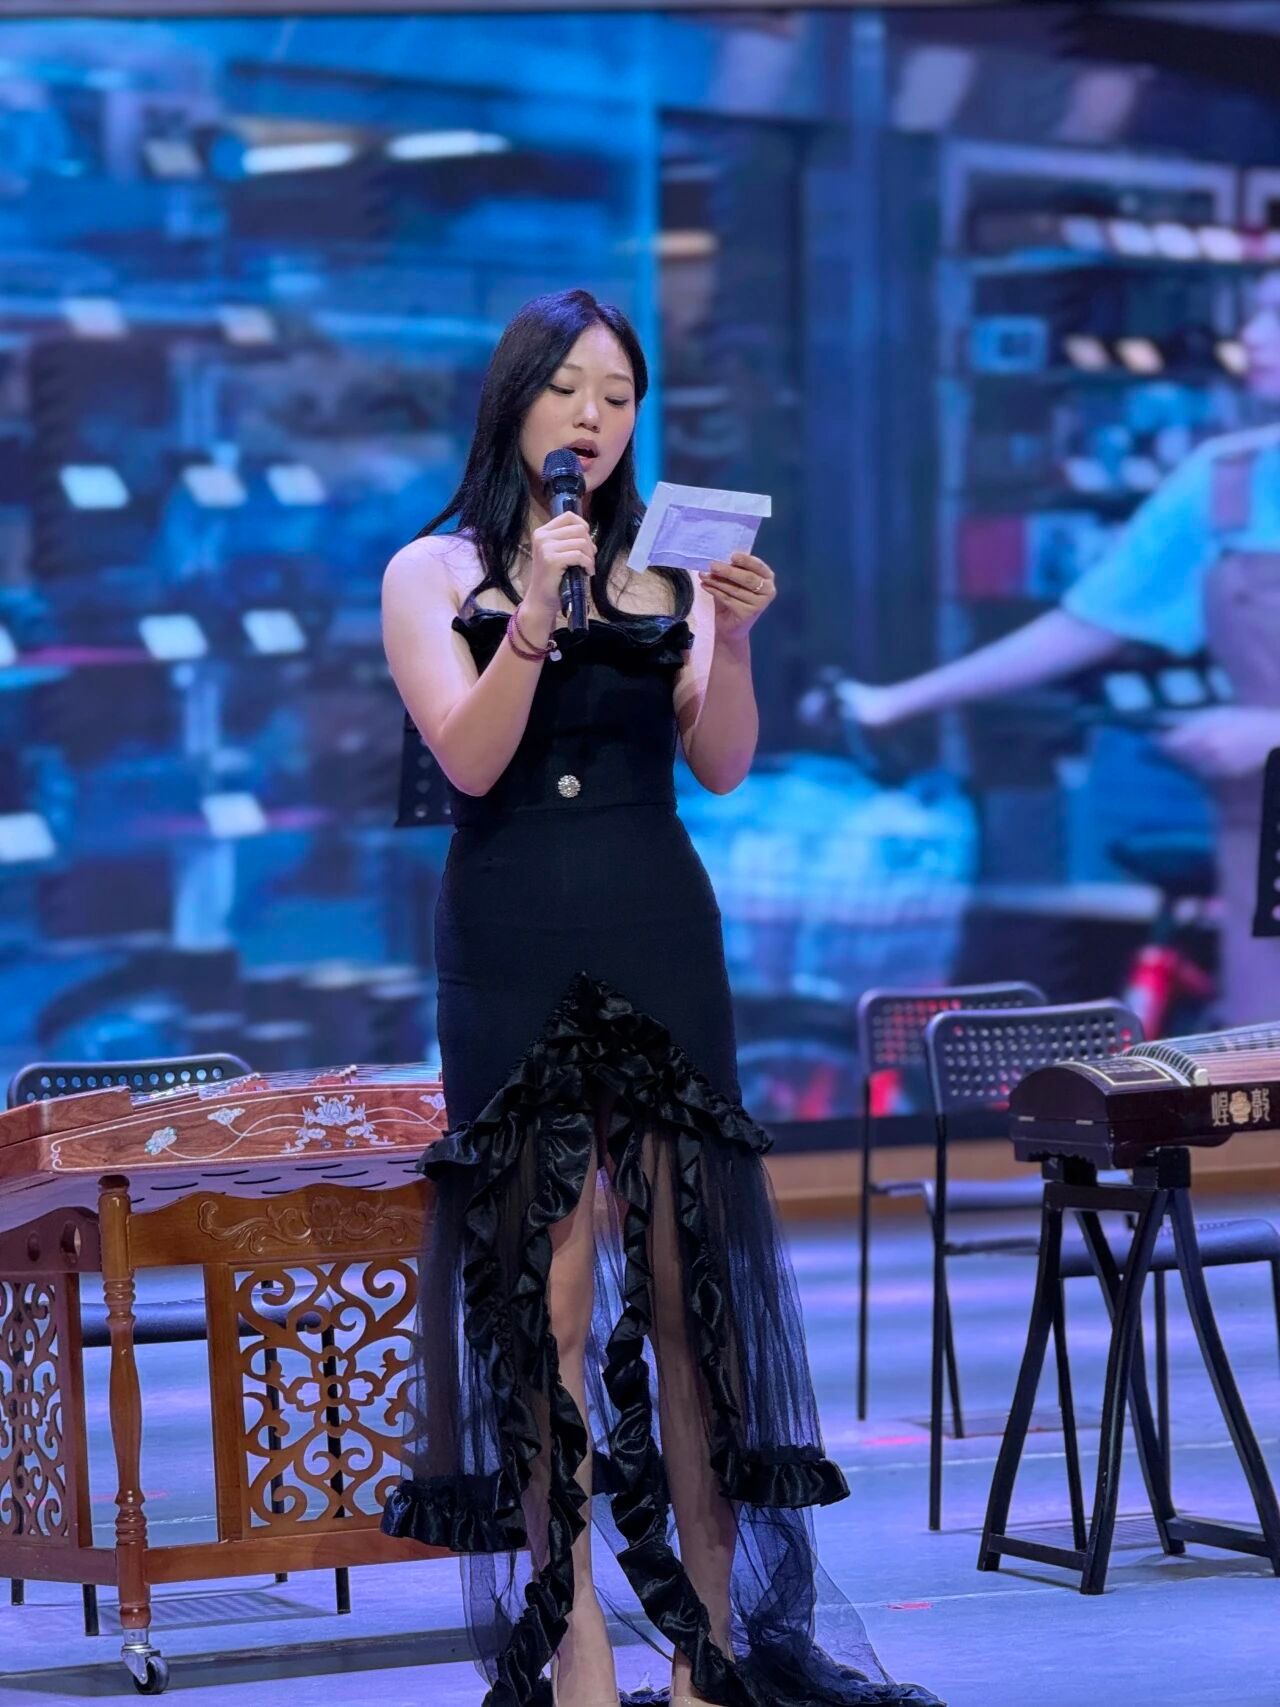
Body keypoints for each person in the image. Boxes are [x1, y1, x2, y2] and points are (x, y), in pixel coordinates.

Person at [379, 290, 940, 1707]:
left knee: (695, 1302)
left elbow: (725, 764)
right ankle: (574, 1654)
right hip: (509, 941)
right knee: (548, 1309)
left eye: (617, 395)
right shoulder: (429, 569)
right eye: (567, 387)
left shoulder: (666, 569)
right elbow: (470, 761)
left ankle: (707, 1653)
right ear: (514, 399)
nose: (591, 416)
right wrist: (531, 618)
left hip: (658, 930)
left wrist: (733, 642)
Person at [838, 271, 1280, 1029]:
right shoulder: (1225, 484)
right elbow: (1086, 624)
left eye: (1278, 318)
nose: (1252, 337)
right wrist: (900, 701)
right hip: (1262, 832)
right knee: (1265, 1048)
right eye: (1257, 315)